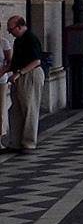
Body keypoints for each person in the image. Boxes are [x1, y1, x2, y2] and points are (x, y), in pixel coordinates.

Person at [5, 16, 43, 153]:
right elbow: (14, 62)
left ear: (19, 26)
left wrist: (20, 73)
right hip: (19, 76)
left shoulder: (30, 39)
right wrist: (6, 71)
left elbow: (36, 61)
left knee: (29, 108)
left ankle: (28, 143)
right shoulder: (18, 40)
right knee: (15, 110)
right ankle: (15, 142)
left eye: (11, 29)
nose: (9, 32)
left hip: (30, 75)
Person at [0, 29, 12, 148]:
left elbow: (10, 61)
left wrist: (2, 72)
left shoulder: (4, 43)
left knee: (0, 109)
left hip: (1, 81)